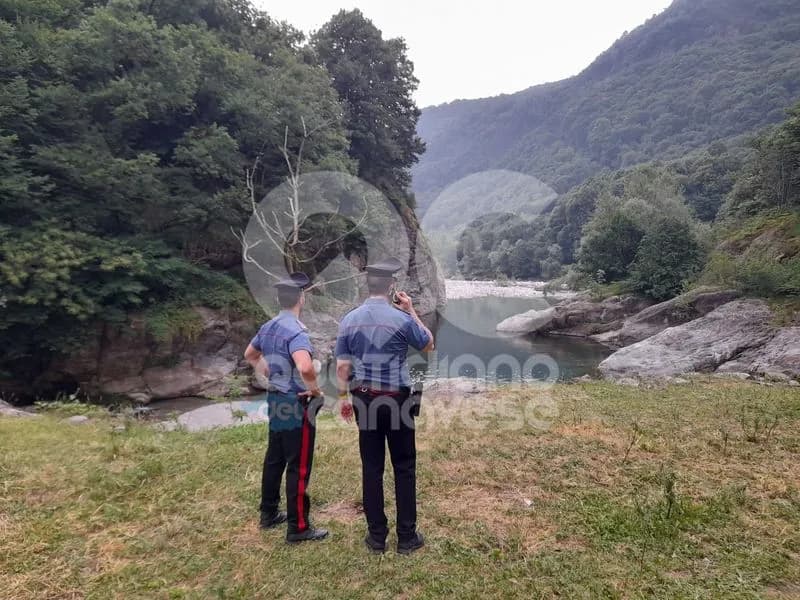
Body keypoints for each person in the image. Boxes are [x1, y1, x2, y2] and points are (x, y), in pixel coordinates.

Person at [335, 258, 435, 554]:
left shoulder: (349, 319)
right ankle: (407, 538)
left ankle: (377, 538)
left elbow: (342, 368)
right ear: (392, 286)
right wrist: (411, 310)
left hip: (364, 397)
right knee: (404, 466)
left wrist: (343, 400)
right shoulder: (402, 319)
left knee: (372, 466)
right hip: (398, 399)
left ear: (368, 285)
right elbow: (428, 344)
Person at [243, 272, 328, 544]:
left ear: (279, 300)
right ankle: (298, 527)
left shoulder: (268, 327)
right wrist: (314, 391)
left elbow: (250, 355)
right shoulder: (297, 331)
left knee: (275, 458)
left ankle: (268, 514)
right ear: (301, 298)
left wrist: (268, 372)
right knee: (299, 464)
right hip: (295, 402)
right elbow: (304, 366)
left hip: (275, 398)